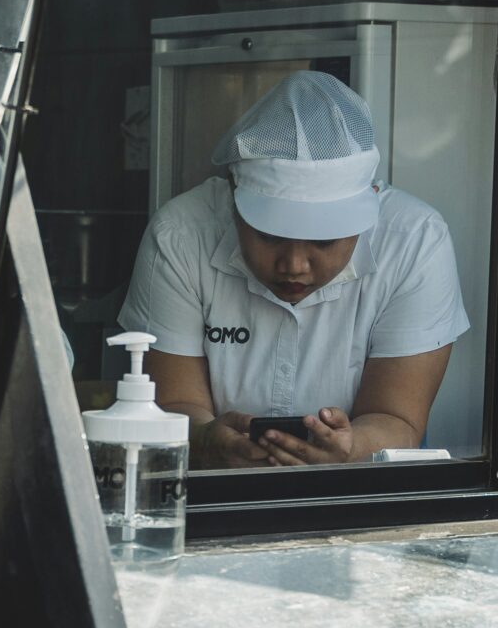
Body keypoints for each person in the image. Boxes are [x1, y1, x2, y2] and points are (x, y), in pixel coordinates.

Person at [118, 70, 468, 468]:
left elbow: (399, 418)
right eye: (269, 237)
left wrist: (348, 448)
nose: (294, 266)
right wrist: (207, 439)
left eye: (323, 242)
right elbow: (175, 404)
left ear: (367, 209)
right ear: (234, 201)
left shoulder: (414, 241)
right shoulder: (181, 234)